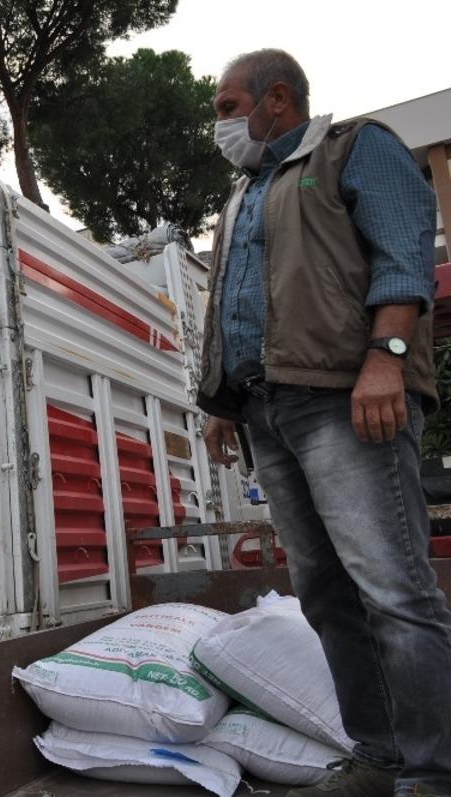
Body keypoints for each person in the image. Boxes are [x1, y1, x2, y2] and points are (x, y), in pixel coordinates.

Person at [199, 49, 451, 797]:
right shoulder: (245, 192)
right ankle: (378, 756)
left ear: (277, 99)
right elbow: (233, 305)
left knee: (394, 589)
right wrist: (220, 403)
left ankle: (433, 773)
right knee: (326, 593)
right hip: (266, 411)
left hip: (345, 398)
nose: (221, 124)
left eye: (226, 106)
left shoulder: (353, 148)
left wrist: (387, 356)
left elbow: (403, 254)